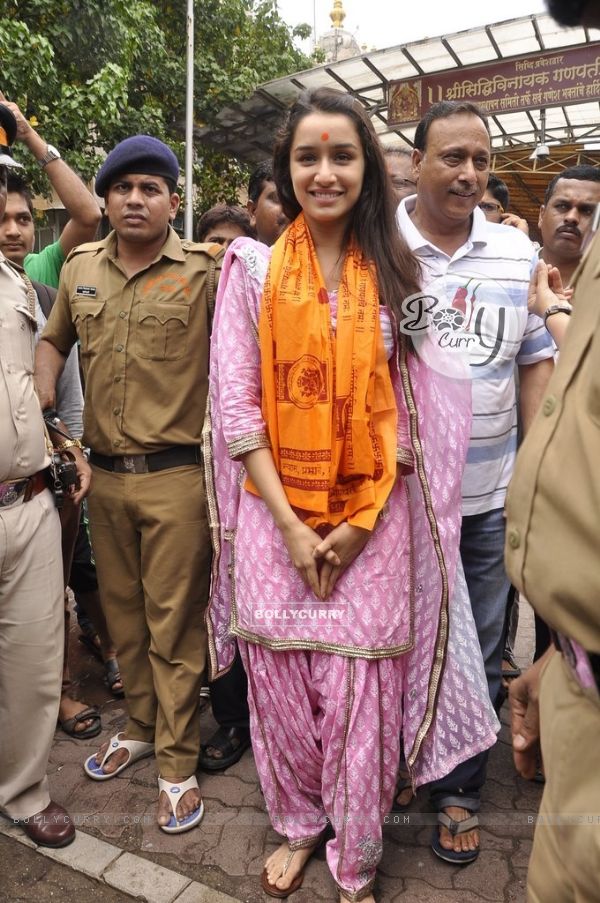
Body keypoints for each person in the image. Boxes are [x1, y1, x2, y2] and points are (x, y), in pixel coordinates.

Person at [206, 86, 498, 902]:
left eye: (342, 155)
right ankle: (301, 827)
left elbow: (418, 415)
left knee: (360, 695)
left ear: (368, 168)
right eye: (308, 157)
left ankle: (356, 855)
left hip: (376, 522)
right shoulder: (252, 271)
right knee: (284, 689)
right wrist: (297, 530)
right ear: (286, 169)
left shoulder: (399, 275)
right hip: (275, 521)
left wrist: (361, 525)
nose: (325, 172)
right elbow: (238, 409)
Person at [35, 135, 223, 834]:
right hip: (102, 480)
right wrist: (45, 383)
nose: (134, 200)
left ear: (174, 200)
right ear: (105, 197)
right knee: (122, 616)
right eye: (122, 188)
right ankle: (140, 724)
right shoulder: (82, 266)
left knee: (175, 623)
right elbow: (55, 337)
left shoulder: (206, 272)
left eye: (150, 188)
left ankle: (177, 757)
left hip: (176, 476)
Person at [396, 100, 555, 863]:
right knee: (398, 639)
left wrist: (528, 469)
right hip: (394, 502)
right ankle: (398, 758)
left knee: (482, 642)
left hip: (488, 500)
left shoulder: (515, 256)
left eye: (480, 160)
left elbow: (532, 360)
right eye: (453, 157)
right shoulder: (376, 246)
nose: (469, 173)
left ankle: (458, 784)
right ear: (417, 160)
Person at [506, 62, 600, 903]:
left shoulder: (561, 301)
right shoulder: (522, 274)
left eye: (586, 209)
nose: (574, 218)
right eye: (562, 206)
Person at [0, 102, 89, 848]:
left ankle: (25, 792)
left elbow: (34, 388)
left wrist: (67, 443)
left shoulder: (24, 286)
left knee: (34, 661)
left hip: (28, 502)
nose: (11, 221)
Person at [0, 96, 101, 285]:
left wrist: (30, 136)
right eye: (2, 219)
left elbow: (89, 217)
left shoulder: (44, 266)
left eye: (23, 219)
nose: (13, 231)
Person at [246, 160, 288, 245]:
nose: (290, 209)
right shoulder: (235, 256)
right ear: (253, 211)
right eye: (277, 199)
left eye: (295, 201)